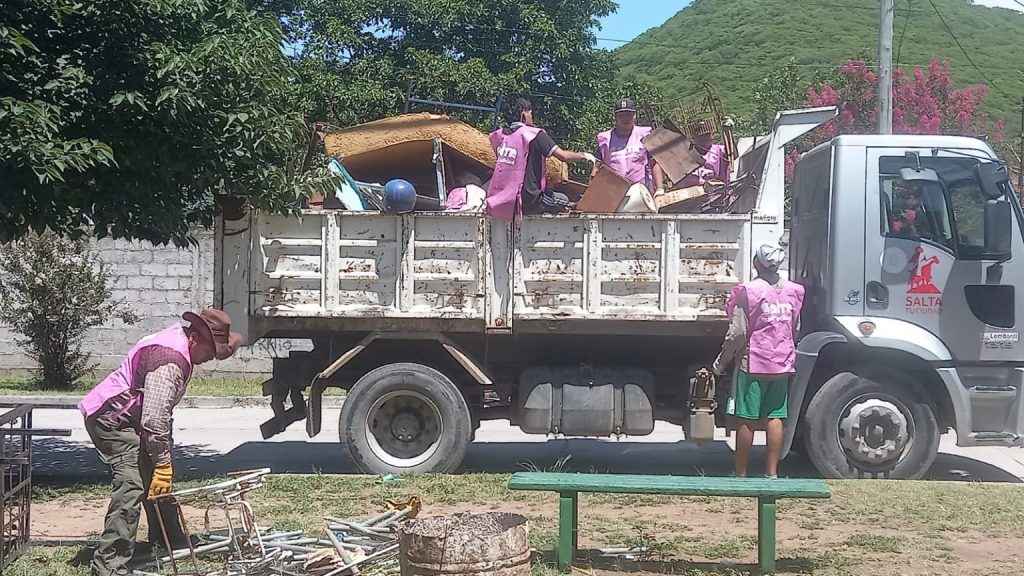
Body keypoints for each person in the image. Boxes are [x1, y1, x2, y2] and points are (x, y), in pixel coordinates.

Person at [78, 309, 242, 576]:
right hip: (111, 420)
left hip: (133, 418)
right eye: (211, 350)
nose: (212, 357)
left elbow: (158, 414)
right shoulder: (170, 360)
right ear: (194, 338)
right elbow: (155, 418)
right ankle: (109, 564)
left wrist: (162, 463)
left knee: (156, 475)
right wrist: (164, 463)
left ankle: (169, 541)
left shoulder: (179, 345)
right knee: (132, 484)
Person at [711, 244, 804, 478]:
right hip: (782, 363)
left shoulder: (750, 291)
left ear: (756, 264)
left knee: (747, 419)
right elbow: (795, 327)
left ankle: (740, 473)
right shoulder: (793, 291)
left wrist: (721, 363)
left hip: (753, 363)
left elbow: (738, 332)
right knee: (775, 417)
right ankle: (771, 474)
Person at [486, 97, 596, 220]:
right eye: (530, 113)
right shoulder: (535, 135)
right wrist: (585, 156)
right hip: (529, 201)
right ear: (523, 114)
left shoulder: (498, 136)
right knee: (566, 201)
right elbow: (563, 156)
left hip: (501, 201)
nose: (532, 117)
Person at [594, 97, 665, 194]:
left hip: (642, 192)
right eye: (621, 115)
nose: (625, 119)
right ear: (615, 117)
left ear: (634, 115)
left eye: (628, 115)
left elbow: (654, 162)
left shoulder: (644, 134)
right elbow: (597, 168)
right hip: (615, 193)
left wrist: (660, 189)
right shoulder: (605, 139)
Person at [680, 119, 731, 188]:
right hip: (697, 194)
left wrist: (728, 133)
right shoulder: (687, 154)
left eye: (707, 134)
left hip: (720, 192)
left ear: (711, 135)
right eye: (700, 135)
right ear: (693, 137)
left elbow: (733, 155)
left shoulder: (720, 150)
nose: (704, 137)